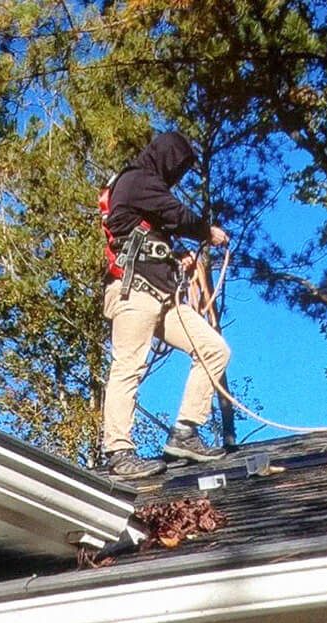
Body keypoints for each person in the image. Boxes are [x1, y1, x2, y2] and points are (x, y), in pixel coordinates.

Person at [101, 132, 231, 479]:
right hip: (135, 292)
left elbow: (151, 230)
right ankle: (119, 451)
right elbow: (176, 215)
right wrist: (207, 232)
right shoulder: (135, 179)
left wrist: (176, 255)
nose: (178, 175)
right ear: (166, 157)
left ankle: (185, 432)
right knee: (128, 365)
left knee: (213, 349)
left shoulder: (145, 189)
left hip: (162, 295)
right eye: (179, 166)